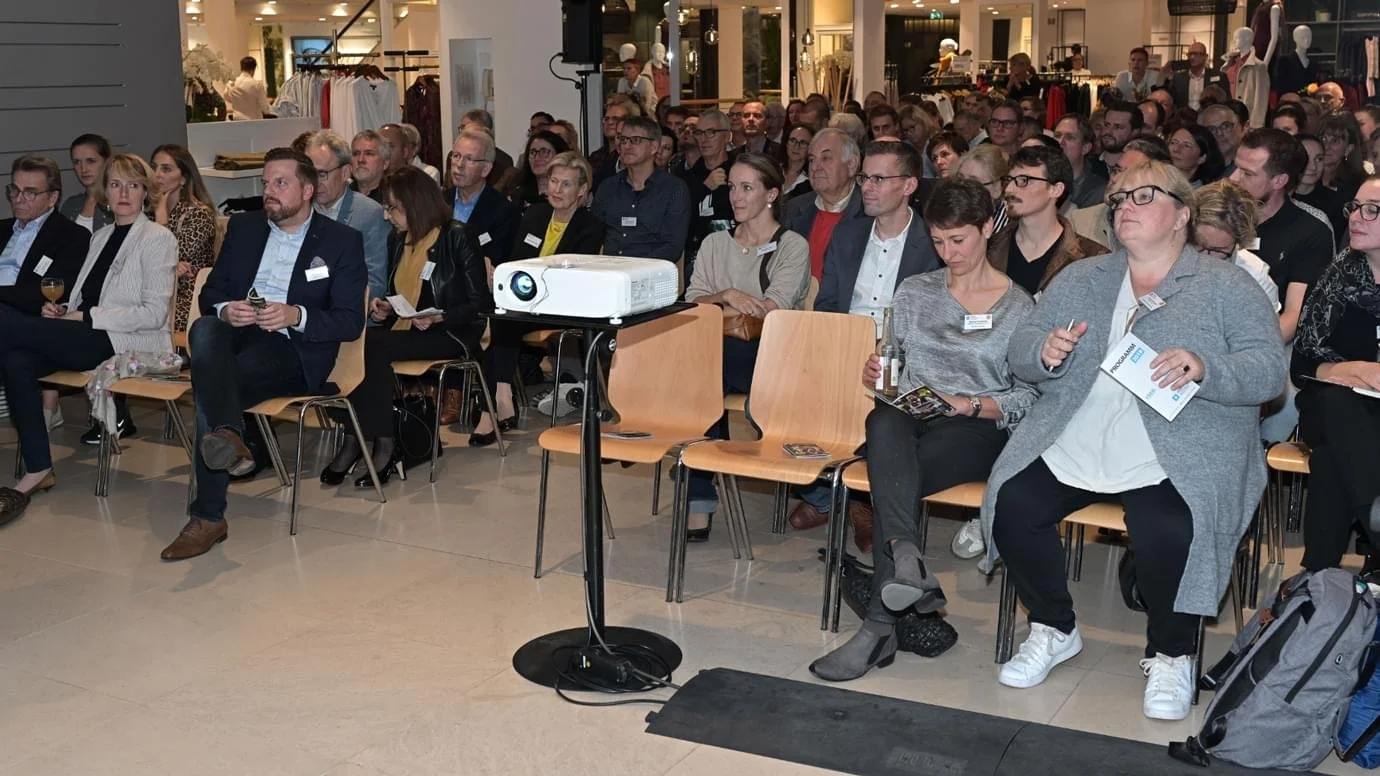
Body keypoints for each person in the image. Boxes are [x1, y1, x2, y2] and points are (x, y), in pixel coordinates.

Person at [987, 159, 1286, 720]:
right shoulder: (1083, 276)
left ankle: (1172, 653)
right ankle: (1053, 626)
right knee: (1012, 503)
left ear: (1181, 215)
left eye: (1143, 196)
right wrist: (1043, 353)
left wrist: (1205, 367)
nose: (1124, 205)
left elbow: (1270, 370)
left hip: (1179, 440)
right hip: (1080, 429)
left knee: (1167, 528)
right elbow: (1021, 346)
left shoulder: (1226, 284)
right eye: (1120, 196)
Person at [807, 178, 1038, 681]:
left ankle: (880, 623)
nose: (948, 252)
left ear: (986, 229)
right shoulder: (915, 291)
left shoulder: (1019, 306)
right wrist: (878, 371)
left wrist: (968, 402)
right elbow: (896, 367)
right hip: (909, 417)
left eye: (959, 240)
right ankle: (906, 563)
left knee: (894, 472)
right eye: (937, 240)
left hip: (977, 428)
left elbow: (1028, 398)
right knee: (884, 417)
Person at [162, 148, 367, 562]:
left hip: (293, 350)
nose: (268, 192)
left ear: (308, 190)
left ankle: (208, 514)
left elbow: (349, 322)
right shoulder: (245, 228)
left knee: (212, 385)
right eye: (265, 183)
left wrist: (297, 315)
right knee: (205, 328)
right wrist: (226, 309)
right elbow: (212, 293)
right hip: (237, 336)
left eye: (280, 183)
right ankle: (229, 439)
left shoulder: (341, 241)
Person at [0, 153, 177, 523]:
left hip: (128, 340)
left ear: (145, 191)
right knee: (16, 359)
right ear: (105, 192)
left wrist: (86, 315)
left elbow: (153, 315)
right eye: (114, 184)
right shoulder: (100, 237)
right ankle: (38, 467)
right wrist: (63, 309)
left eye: (132, 184)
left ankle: (37, 468)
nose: (123, 192)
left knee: (8, 325)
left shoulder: (157, 238)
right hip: (86, 331)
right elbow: (82, 299)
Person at [793, 141, 943, 539]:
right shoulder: (848, 234)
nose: (868, 187)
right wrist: (836, 350)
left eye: (880, 178)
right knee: (778, 396)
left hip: (901, 358)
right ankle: (833, 496)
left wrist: (887, 350)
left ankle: (863, 500)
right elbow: (827, 304)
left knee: (883, 409)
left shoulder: (933, 244)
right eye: (864, 178)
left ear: (910, 184)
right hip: (844, 348)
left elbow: (933, 324)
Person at [323, 165, 492, 481]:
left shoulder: (457, 235)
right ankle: (356, 436)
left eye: (393, 208)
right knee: (346, 341)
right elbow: (398, 292)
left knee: (370, 346)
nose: (387, 216)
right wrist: (385, 306)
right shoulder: (398, 240)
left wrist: (441, 314)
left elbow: (480, 304)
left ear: (415, 204)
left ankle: (381, 442)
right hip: (410, 329)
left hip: (452, 332)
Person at [683, 154, 811, 541]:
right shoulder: (713, 243)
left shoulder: (791, 246)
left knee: (699, 372)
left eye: (747, 187)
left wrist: (719, 306)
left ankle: (698, 494)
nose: (735, 197)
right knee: (702, 375)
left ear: (771, 194)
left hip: (772, 355)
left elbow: (774, 309)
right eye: (732, 187)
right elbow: (692, 303)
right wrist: (727, 295)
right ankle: (699, 493)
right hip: (719, 355)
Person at [1292, 176, 1380, 572]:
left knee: (1331, 463)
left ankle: (1316, 579)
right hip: (1331, 405)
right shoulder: (1338, 275)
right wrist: (1357, 369)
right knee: (1337, 399)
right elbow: (1302, 365)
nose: (1357, 218)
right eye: (1354, 207)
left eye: (1372, 210)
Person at [485, 152, 604, 433]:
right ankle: (501, 395)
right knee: (498, 314)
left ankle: (495, 402)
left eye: (566, 184)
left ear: (582, 190)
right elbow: (518, 261)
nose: (557, 190)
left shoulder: (591, 227)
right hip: (526, 303)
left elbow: (573, 278)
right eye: (553, 181)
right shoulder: (536, 215)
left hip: (564, 306)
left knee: (503, 317)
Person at [1228, 129, 1333, 343]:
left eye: (1247, 173)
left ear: (1279, 181)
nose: (1233, 178)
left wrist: (1248, 352)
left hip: (1268, 340)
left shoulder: (1310, 231)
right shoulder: (1217, 214)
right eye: (1235, 167)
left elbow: (1294, 316)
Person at [989, 145, 1107, 295]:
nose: (1009, 190)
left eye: (1023, 180)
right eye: (1009, 180)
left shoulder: (1092, 258)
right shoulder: (988, 248)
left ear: (1056, 189)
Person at [304, 130, 392, 304]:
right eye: (309, 174)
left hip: (344, 314)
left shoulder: (369, 214)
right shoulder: (302, 210)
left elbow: (375, 283)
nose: (315, 182)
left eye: (322, 174)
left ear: (345, 173)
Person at [0, 156, 90, 317]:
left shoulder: (72, 237)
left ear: (52, 198)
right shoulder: (2, 228)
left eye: (30, 193)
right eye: (14, 190)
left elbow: (44, 295)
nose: (18, 199)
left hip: (21, 320)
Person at [594, 117, 691, 263]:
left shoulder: (674, 189)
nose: (626, 146)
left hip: (651, 274)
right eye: (623, 139)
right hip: (611, 272)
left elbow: (673, 247)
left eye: (636, 140)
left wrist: (635, 268)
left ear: (654, 147)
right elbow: (594, 234)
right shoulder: (608, 187)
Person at [149, 144, 217, 335]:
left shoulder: (199, 213)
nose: (157, 175)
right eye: (154, 167)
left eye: (166, 169)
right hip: (154, 289)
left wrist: (161, 219)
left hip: (187, 294)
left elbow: (169, 254)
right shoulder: (146, 211)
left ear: (184, 178)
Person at [782, 128, 863, 280]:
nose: (815, 167)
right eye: (812, 159)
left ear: (852, 165)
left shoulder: (869, 213)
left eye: (826, 158)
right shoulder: (795, 208)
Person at [1190, 180, 1281, 314]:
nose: (1205, 259)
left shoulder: (1255, 278)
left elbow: (1264, 333)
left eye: (1218, 251)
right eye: (1198, 245)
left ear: (1239, 243)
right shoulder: (1162, 259)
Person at [678, 110, 737, 278]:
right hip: (697, 254)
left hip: (735, 252)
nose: (703, 139)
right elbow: (680, 216)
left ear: (727, 136)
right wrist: (704, 188)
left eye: (711, 132)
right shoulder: (686, 176)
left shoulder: (740, 170)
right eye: (699, 133)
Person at [1295, 133, 1349, 245]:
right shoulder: (1277, 199)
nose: (1313, 166)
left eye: (1319, 159)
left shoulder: (1337, 203)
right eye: (1306, 158)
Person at [1052, 114, 1108, 211]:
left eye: (1070, 137)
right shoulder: (1042, 180)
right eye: (1057, 136)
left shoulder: (1100, 191)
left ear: (1085, 148)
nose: (1060, 142)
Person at [60, 134, 113, 233]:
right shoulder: (70, 205)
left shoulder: (119, 204)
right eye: (77, 162)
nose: (83, 169)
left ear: (107, 162)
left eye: (91, 161)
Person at [956, 145, 1011, 233]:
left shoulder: (1009, 231)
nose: (963, 188)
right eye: (960, 180)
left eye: (973, 183)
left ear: (998, 188)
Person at [508, 130, 570, 209]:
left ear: (560, 156)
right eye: (533, 152)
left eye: (544, 152)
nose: (537, 158)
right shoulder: (517, 196)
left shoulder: (568, 196)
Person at [459, 109, 518, 191]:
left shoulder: (503, 160)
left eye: (465, 128)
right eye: (461, 129)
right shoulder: (453, 156)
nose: (462, 133)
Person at [1318, 112, 1368, 203]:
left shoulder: (1357, 185)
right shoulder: (1304, 176)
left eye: (1335, 140)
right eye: (1323, 139)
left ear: (1348, 149)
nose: (1326, 146)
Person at [1168, 42, 1226, 111]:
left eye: (1196, 54)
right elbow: (1172, 101)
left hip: (1208, 116)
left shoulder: (1218, 76)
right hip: (1185, 118)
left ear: (1205, 56)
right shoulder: (1178, 78)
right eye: (1190, 54)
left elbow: (1225, 101)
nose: (1192, 57)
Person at [1095, 103, 1143, 178]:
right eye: (1107, 125)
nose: (1108, 132)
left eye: (1118, 127)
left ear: (1135, 132)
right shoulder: (1087, 166)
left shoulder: (1141, 172)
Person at [1200, 102, 1246, 175]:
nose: (1219, 133)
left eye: (1225, 126)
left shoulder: (1248, 166)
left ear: (1238, 127)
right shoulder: (1198, 166)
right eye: (1211, 129)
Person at [350, 130, 392, 204]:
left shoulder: (394, 198)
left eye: (369, 154)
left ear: (385, 163)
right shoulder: (340, 196)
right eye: (356, 154)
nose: (360, 160)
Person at [226, 56, 273, 120]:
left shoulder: (231, 83)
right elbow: (266, 109)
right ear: (253, 69)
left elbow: (227, 97)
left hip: (237, 123)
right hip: (254, 124)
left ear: (241, 68)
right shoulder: (257, 85)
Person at [779, 123, 815, 200]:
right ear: (786, 143)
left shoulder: (813, 180)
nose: (796, 146)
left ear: (811, 148)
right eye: (792, 140)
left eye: (803, 143)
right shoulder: (774, 170)